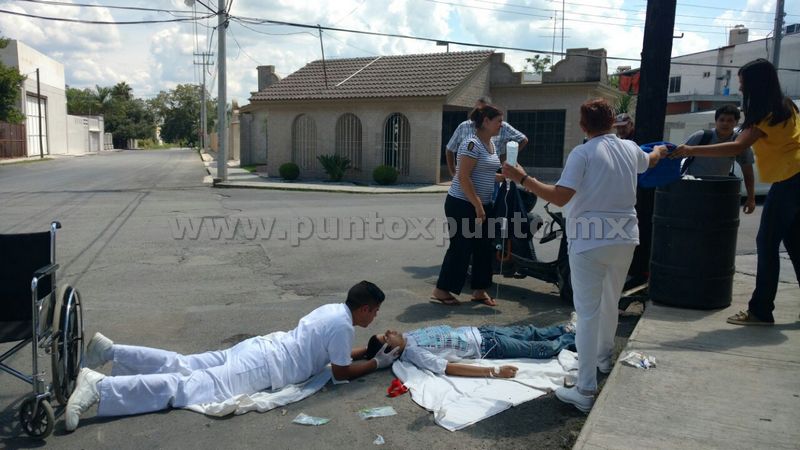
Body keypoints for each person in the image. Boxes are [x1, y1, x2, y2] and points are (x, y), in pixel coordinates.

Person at [502, 98, 665, 412]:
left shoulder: (583, 153)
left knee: (588, 313)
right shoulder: (630, 149)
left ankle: (585, 389)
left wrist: (522, 178)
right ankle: (603, 358)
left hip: (590, 239)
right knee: (610, 302)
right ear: (612, 123)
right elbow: (652, 159)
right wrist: (662, 150)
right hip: (626, 237)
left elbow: (560, 198)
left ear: (582, 125)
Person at [65, 281, 399, 431]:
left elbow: (332, 357)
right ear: (366, 308)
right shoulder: (342, 326)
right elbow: (340, 372)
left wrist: (368, 350)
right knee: (184, 387)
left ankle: (110, 351)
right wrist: (376, 363)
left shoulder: (334, 312)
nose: (375, 319)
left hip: (258, 351)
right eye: (376, 312)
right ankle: (100, 388)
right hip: (263, 367)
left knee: (185, 364)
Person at [671, 58, 800, 326]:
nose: (740, 88)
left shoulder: (764, 115)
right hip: (795, 180)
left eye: (742, 84)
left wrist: (691, 150)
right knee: (795, 245)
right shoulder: (787, 106)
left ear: (755, 85)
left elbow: (734, 147)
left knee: (766, 245)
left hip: (789, 181)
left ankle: (760, 311)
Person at [432, 105, 505, 307]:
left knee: (483, 248)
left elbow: (486, 173)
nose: (502, 125)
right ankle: (441, 290)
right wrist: (478, 207)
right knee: (461, 247)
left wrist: (505, 177)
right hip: (462, 204)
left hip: (481, 204)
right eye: (499, 121)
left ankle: (480, 290)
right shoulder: (471, 144)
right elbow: (463, 177)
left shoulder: (491, 143)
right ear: (486, 122)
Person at [363, 318, 576, 378]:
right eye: (387, 336)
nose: (390, 331)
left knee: (530, 332)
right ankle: (573, 338)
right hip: (490, 346)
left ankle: (566, 328)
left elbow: (368, 352)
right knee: (539, 349)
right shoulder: (415, 354)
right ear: (391, 352)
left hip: (482, 331)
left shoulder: (407, 338)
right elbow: (449, 368)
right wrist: (494, 371)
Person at [681, 104, 757, 214]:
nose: (725, 123)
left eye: (730, 120)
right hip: (692, 188)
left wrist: (751, 198)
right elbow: (678, 157)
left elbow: (748, 171)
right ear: (716, 121)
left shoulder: (739, 143)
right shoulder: (702, 136)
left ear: (736, 123)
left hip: (718, 190)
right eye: (721, 120)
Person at [445, 97, 528, 177]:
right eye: (478, 110)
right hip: (469, 175)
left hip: (492, 172)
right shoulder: (469, 136)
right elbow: (450, 149)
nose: (501, 125)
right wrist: (453, 172)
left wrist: (507, 158)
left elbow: (523, 139)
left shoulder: (497, 134)